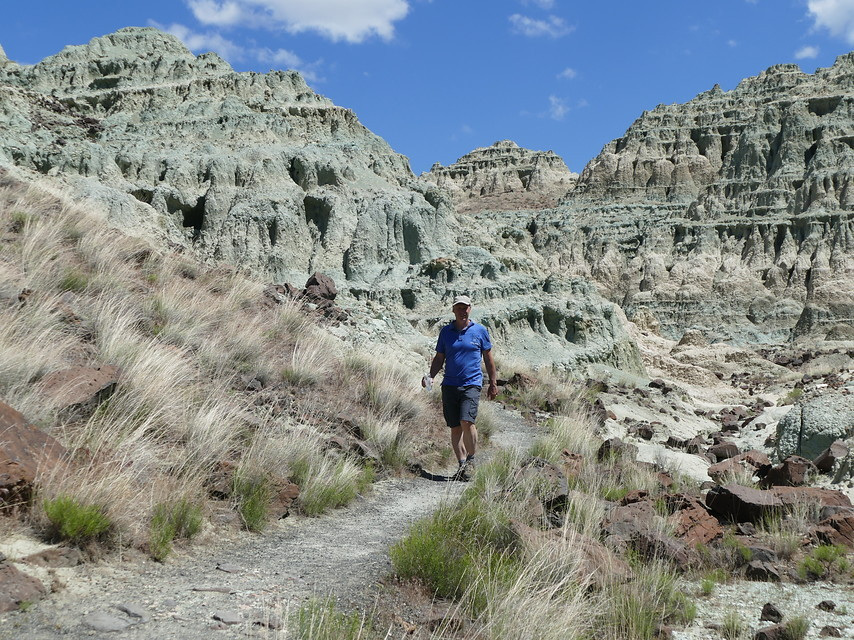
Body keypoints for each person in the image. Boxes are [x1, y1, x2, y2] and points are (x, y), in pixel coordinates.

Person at [423, 294, 497, 479]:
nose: (462, 311)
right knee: (455, 427)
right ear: (453, 310)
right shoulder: (446, 332)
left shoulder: (479, 331)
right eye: (459, 308)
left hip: (471, 384)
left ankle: (471, 461)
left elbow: (488, 358)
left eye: (465, 308)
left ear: (470, 309)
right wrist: (430, 376)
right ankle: (462, 464)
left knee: (467, 421)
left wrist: (493, 383)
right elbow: (439, 357)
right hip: (449, 385)